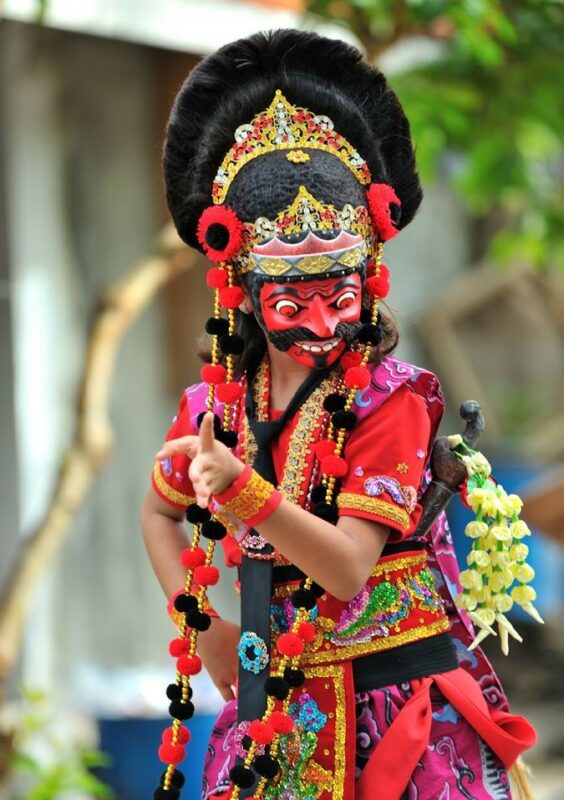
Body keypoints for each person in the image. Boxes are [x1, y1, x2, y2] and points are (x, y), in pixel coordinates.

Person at [141, 29, 536, 800]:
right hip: (271, 717)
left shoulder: (391, 402)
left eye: (341, 294)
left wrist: (244, 491)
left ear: (369, 275)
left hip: (398, 718)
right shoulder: (213, 405)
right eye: (294, 298)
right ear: (244, 289)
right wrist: (207, 630)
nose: (323, 321)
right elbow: (159, 513)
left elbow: (348, 568)